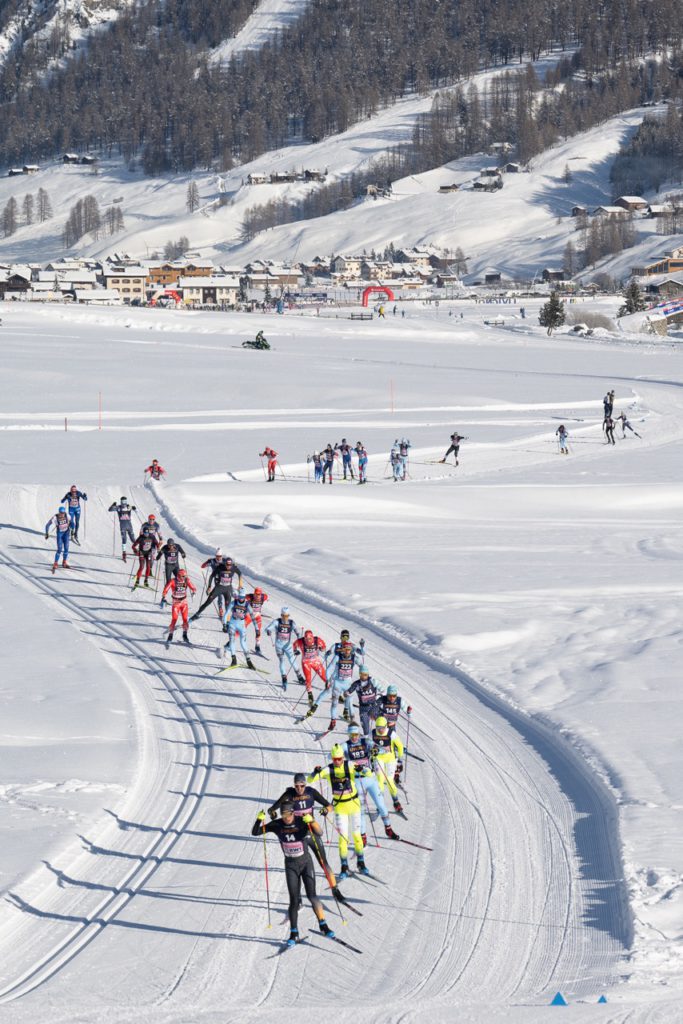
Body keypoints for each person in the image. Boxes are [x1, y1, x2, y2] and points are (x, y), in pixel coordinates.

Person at [252, 803, 336, 947]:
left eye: (289, 815)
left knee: (312, 896)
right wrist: (259, 819)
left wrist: (312, 821)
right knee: (294, 901)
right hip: (291, 865)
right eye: (284, 815)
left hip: (306, 863)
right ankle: (294, 933)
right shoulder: (277, 825)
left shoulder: (300, 821)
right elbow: (256, 832)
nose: (287, 818)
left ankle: (323, 925)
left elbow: (320, 832)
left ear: (293, 813)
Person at [308, 745, 371, 878]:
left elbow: (369, 773)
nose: (337, 761)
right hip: (340, 808)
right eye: (335, 759)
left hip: (354, 805)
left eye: (339, 758)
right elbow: (310, 780)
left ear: (343, 757)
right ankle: (344, 866)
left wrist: (362, 769)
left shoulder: (350, 765)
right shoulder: (329, 769)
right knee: (343, 839)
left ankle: (361, 863)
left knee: (357, 836)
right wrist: (315, 772)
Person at [344, 723, 399, 842]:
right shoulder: (345, 745)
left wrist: (376, 751)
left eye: (356, 734)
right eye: (351, 735)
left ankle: (388, 829)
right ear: (348, 734)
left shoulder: (366, 741)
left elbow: (382, 750)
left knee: (381, 806)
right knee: (361, 810)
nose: (354, 737)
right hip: (357, 782)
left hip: (371, 780)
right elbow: (331, 756)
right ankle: (363, 837)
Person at [323, 638, 363, 730]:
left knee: (350, 701)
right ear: (343, 649)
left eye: (349, 649)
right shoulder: (338, 657)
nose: (347, 651)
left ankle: (352, 720)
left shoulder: (354, 658)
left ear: (351, 650)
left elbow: (362, 665)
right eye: (345, 649)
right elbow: (329, 669)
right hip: (338, 683)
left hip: (348, 684)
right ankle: (333, 721)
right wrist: (328, 680)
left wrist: (363, 675)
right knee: (334, 703)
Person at [371, 716, 404, 813]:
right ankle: (380, 804)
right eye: (378, 728)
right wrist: (371, 750)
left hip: (390, 759)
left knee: (389, 780)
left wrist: (400, 761)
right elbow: (368, 743)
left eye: (382, 728)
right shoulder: (372, 733)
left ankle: (396, 802)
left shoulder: (391, 734)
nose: (380, 730)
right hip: (378, 758)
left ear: (386, 726)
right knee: (380, 780)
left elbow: (400, 747)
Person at [191, 555, 241, 620]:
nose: (228, 566)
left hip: (227, 588)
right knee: (209, 601)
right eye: (227, 565)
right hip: (218, 584)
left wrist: (240, 585)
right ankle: (197, 614)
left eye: (230, 565)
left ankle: (228, 621)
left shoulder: (230, 565)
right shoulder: (217, 564)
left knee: (228, 605)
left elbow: (239, 573)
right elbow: (209, 574)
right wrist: (209, 587)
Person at [266, 606, 303, 688]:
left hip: (288, 645)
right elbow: (268, 628)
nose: (285, 618)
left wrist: (299, 639)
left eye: (287, 616)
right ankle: (284, 679)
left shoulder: (292, 623)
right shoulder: (277, 622)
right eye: (283, 616)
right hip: (279, 645)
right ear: (281, 615)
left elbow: (298, 633)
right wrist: (268, 631)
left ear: (289, 615)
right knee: (282, 661)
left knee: (292, 660)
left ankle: (300, 677)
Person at [220, 588, 256, 669]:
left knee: (243, 643)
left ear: (245, 597)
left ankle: (249, 661)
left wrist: (256, 628)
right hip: (233, 624)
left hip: (241, 625)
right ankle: (234, 660)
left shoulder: (247, 605)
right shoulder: (233, 602)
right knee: (232, 641)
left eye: (242, 597)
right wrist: (224, 625)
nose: (241, 599)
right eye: (240, 597)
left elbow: (253, 617)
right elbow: (226, 614)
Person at [293, 630, 327, 711]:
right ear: (304, 638)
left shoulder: (317, 640)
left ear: (312, 637)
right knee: (308, 679)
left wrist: (322, 649)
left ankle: (336, 694)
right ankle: (310, 696)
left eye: (309, 639)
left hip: (316, 661)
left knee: (325, 678)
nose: (308, 641)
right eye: (306, 639)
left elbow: (324, 646)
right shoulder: (300, 641)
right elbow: (294, 645)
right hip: (306, 662)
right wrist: (295, 651)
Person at [162, 568, 196, 644]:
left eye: (185, 576)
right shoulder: (173, 581)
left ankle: (185, 634)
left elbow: (193, 587)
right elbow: (166, 589)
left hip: (184, 602)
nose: (185, 578)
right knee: (174, 619)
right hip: (176, 603)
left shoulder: (186, 580)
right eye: (183, 576)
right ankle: (170, 635)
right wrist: (163, 597)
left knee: (185, 619)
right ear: (179, 576)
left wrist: (193, 592)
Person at [347, 666, 381, 737]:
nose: (363, 676)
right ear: (359, 674)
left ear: (368, 674)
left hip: (373, 707)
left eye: (365, 674)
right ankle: (367, 738)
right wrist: (346, 693)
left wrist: (378, 698)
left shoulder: (373, 681)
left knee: (381, 723)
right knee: (365, 726)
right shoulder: (356, 684)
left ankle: (382, 738)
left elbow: (382, 690)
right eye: (361, 674)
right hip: (363, 709)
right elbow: (349, 691)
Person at [108, 496, 137, 561]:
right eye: (122, 501)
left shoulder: (128, 507)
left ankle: (135, 549)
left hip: (129, 526)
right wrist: (113, 505)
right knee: (124, 539)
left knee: (133, 539)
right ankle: (124, 553)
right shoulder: (119, 507)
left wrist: (134, 508)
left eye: (125, 501)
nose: (124, 503)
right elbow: (109, 510)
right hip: (123, 526)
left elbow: (135, 509)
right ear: (120, 502)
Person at [132, 523, 160, 588]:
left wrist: (158, 548)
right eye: (145, 533)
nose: (146, 535)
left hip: (149, 553)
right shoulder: (140, 537)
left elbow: (156, 543)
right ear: (143, 532)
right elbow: (133, 546)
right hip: (142, 553)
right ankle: (137, 581)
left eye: (147, 533)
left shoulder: (152, 536)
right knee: (141, 567)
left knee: (148, 567)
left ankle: (146, 581)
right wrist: (136, 551)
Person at [45, 504, 71, 572]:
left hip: (66, 533)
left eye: (63, 513)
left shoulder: (67, 515)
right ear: (59, 512)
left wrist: (73, 529)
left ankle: (64, 562)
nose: (62, 514)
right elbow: (47, 525)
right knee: (59, 549)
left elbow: (72, 522)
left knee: (66, 548)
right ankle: (55, 563)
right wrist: (47, 533)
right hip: (60, 534)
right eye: (61, 513)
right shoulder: (55, 517)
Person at [246, 586, 268, 653]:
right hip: (249, 616)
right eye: (255, 594)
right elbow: (242, 597)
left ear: (261, 594)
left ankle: (257, 646)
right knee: (242, 628)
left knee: (258, 631)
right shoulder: (250, 596)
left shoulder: (263, 597)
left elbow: (266, 596)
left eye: (258, 594)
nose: (257, 596)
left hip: (257, 616)